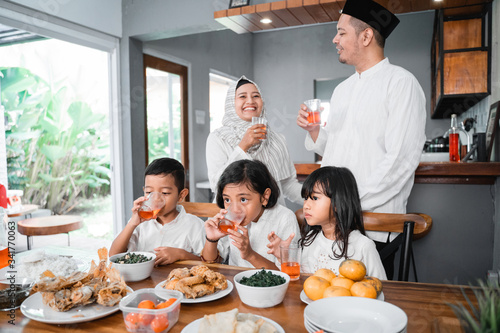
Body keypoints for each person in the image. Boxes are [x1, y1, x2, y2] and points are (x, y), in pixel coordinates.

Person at [296, 0, 426, 279]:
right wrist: (315, 133)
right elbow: (337, 149)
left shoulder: (401, 83)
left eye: (341, 32)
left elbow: (400, 161)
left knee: (365, 305)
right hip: (333, 225)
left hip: (373, 225)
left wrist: (346, 204)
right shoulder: (342, 90)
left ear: (366, 36)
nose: (335, 39)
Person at [268, 166, 386, 280]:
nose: (306, 206)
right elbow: (301, 282)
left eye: (314, 198)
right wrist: (284, 258)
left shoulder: (363, 246)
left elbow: (382, 288)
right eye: (305, 198)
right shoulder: (310, 240)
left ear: (338, 202)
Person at [206, 75, 302, 207]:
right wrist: (242, 147)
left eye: (256, 96)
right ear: (231, 103)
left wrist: (319, 200)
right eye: (242, 96)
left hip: (273, 217)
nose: (250, 101)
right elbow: (217, 184)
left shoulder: (277, 139)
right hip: (233, 217)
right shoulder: (218, 138)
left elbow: (287, 185)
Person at [201, 159, 300, 269]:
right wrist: (212, 239)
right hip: (236, 282)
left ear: (265, 196)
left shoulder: (284, 218)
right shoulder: (228, 221)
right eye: (227, 200)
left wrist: (249, 254)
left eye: (243, 199)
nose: (235, 209)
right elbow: (210, 263)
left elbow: (288, 274)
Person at [109, 158, 205, 266]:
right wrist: (132, 224)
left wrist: (181, 254)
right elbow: (113, 255)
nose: (156, 199)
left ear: (181, 195)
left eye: (165, 193)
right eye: (149, 192)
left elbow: (209, 263)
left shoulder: (194, 225)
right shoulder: (140, 224)